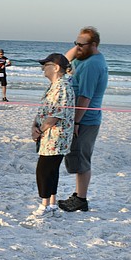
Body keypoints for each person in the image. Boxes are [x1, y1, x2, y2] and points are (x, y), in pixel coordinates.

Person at [58, 26, 108, 212]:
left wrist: (76, 122)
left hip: (86, 119)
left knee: (81, 158)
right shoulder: (84, 58)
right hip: (81, 118)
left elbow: (85, 97)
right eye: (75, 43)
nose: (77, 47)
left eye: (81, 44)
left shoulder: (92, 65)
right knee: (77, 158)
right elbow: (63, 61)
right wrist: (78, 47)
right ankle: (79, 195)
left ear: (93, 45)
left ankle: (81, 199)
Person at [31, 54, 75, 217]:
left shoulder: (62, 86)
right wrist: (34, 126)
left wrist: (40, 130)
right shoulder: (55, 85)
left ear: (56, 68)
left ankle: (45, 205)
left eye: (46, 64)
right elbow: (44, 110)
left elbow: (55, 115)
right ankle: (51, 203)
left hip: (55, 136)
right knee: (50, 169)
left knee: (44, 169)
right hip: (49, 134)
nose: (43, 68)